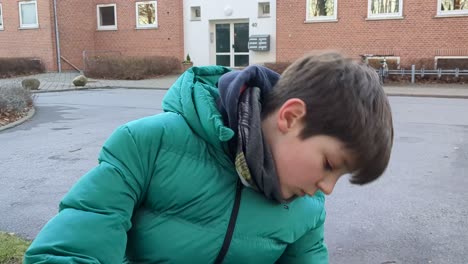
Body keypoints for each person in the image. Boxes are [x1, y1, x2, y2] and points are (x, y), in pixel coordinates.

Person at [24, 51, 393, 264]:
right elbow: (69, 249)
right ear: (291, 118)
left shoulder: (307, 207)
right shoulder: (149, 145)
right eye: (329, 164)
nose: (327, 188)